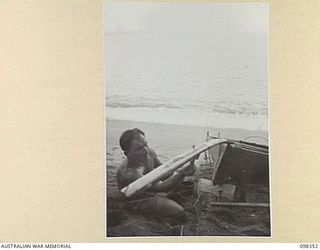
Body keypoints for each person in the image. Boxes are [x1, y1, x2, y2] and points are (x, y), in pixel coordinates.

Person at [116, 128, 196, 218]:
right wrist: (182, 173)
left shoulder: (149, 152)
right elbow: (161, 187)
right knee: (178, 210)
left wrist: (185, 164)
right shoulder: (130, 174)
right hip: (137, 199)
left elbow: (162, 169)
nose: (146, 150)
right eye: (139, 148)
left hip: (151, 186)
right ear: (127, 153)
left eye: (145, 144)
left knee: (181, 183)